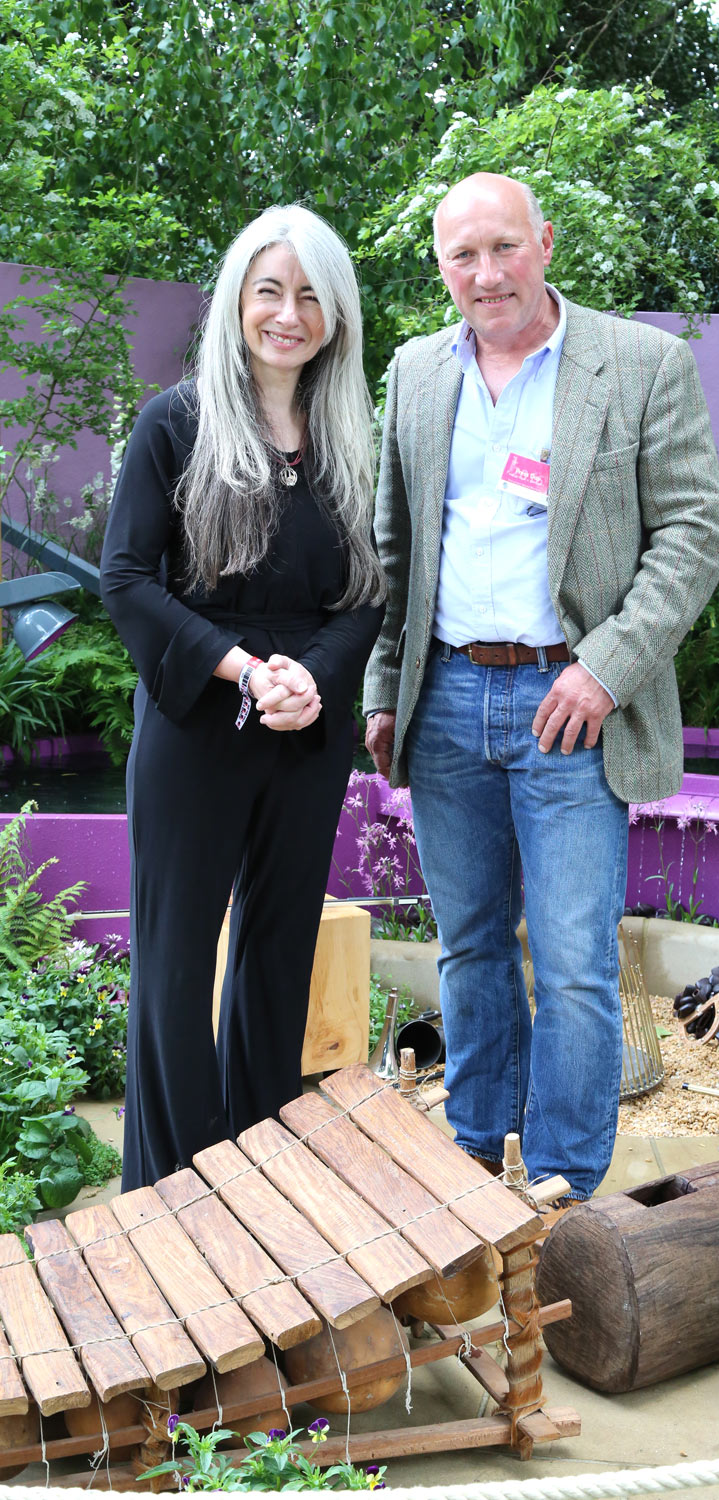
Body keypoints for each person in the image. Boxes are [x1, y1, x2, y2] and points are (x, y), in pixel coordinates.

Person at [363, 172, 719, 1204]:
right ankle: (478, 1158)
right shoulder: (415, 373)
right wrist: (385, 685)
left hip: (568, 706)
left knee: (571, 963)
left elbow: (696, 534)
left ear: (545, 245)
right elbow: (395, 547)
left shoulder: (641, 364)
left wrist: (606, 668)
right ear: (440, 268)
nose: (485, 275)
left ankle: (562, 1187)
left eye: (502, 249)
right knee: (471, 944)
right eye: (461, 257)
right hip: (443, 703)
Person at [101, 204, 385, 1190]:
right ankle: (176, 1194)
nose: (288, 313)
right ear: (237, 301)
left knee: (277, 958)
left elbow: (368, 592)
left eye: (310, 294)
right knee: (177, 969)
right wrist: (239, 667)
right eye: (269, 289)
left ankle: (260, 1178)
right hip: (198, 725)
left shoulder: (351, 439)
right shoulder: (173, 424)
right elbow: (127, 580)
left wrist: (316, 677)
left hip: (306, 733)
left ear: (336, 316)